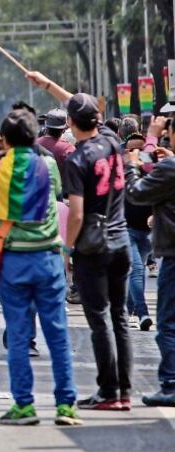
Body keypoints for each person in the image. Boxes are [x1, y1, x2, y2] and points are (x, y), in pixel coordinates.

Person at [0, 109, 81, 427]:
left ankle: (25, 406)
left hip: (13, 261)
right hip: (48, 259)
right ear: (34, 135)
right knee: (57, 335)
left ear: (4, 139)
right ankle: (66, 406)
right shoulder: (49, 165)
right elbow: (55, 193)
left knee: (18, 336)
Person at [58, 93, 134, 412]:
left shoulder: (77, 159)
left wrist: (67, 248)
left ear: (71, 124)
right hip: (121, 240)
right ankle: (124, 390)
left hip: (93, 245)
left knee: (99, 319)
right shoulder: (113, 144)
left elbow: (75, 214)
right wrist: (48, 84)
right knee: (120, 316)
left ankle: (107, 390)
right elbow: (84, 108)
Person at [125, 114, 175, 407]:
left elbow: (136, 191)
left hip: (172, 253)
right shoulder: (169, 164)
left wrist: (132, 164)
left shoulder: (169, 167)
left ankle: (170, 384)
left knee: (167, 324)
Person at [122, 132, 154, 332]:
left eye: (141, 150)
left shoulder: (154, 171)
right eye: (132, 149)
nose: (137, 153)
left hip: (148, 232)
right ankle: (142, 313)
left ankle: (130, 310)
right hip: (127, 228)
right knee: (136, 270)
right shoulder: (123, 170)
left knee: (138, 270)